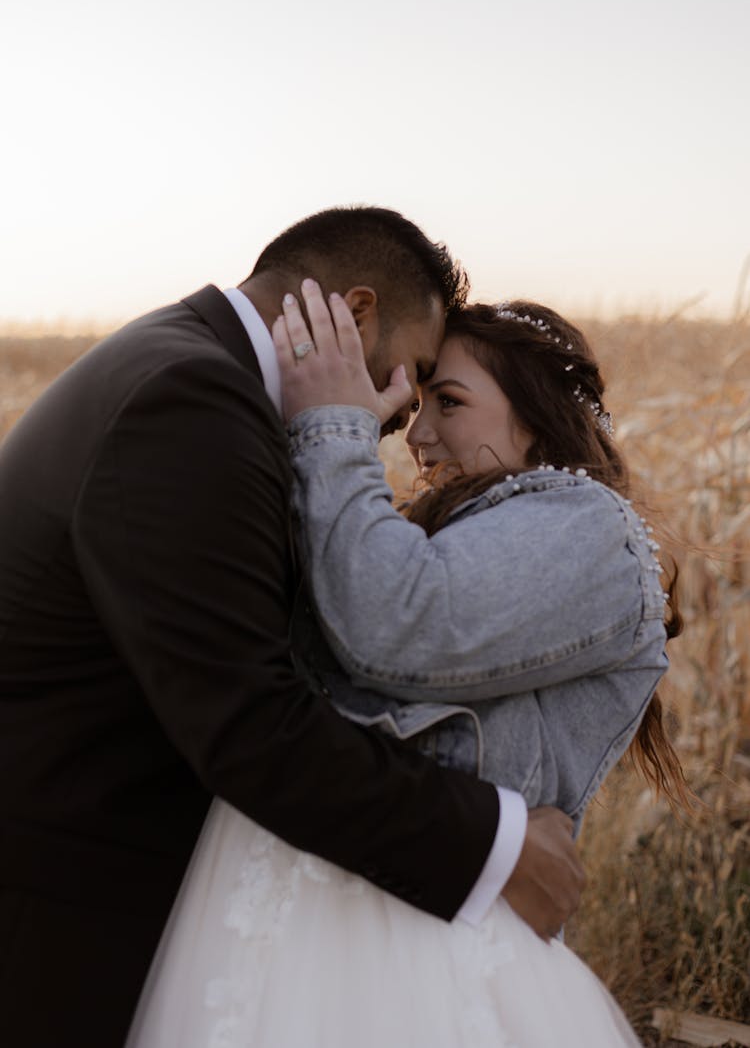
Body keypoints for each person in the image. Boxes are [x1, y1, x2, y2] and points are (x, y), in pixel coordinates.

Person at [0, 207, 582, 1048]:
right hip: (57, 914)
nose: (399, 413)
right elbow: (251, 724)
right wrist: (496, 842)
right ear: (353, 315)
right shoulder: (191, 401)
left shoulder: (185, 365)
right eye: (411, 371)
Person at [123, 286, 684, 1047]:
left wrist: (332, 423)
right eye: (414, 407)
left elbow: (399, 626)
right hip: (315, 903)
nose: (415, 436)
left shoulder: (590, 526)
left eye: (447, 402)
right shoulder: (444, 530)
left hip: (418, 941)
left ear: (542, 414)